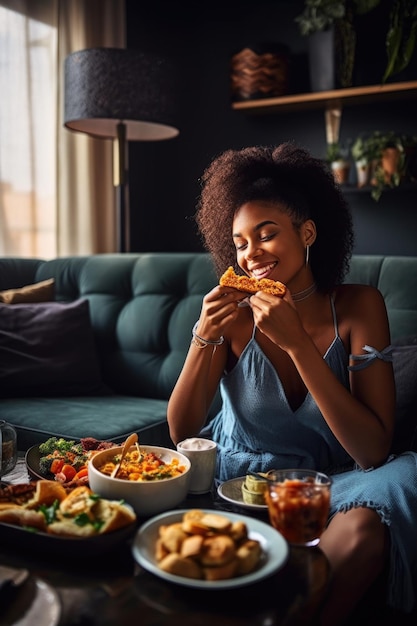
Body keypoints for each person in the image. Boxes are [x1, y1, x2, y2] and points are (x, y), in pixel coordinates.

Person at [167, 142, 417, 625]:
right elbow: (181, 431)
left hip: (325, 487)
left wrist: (299, 345)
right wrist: (204, 335)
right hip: (236, 483)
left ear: (307, 232)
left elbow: (371, 453)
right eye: (240, 243)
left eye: (266, 235)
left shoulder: (359, 306)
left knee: (398, 488)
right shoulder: (234, 316)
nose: (251, 254)